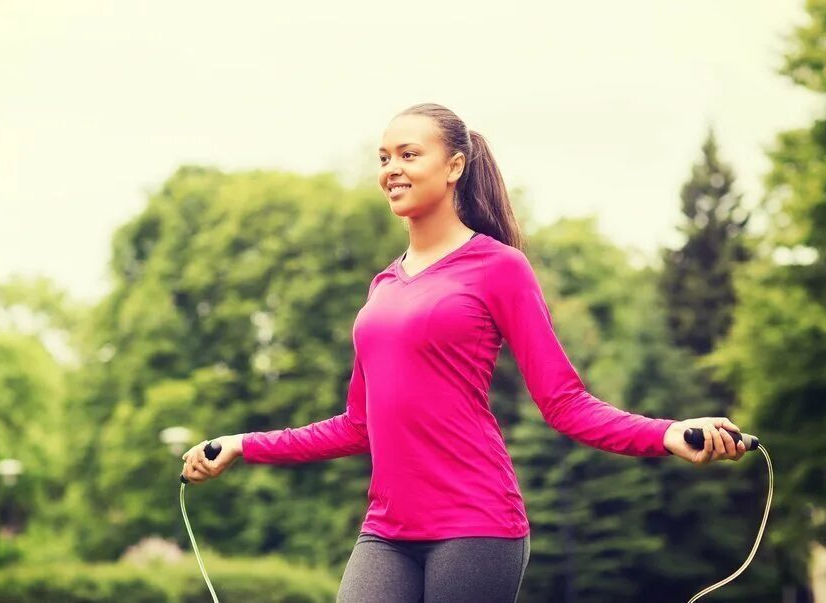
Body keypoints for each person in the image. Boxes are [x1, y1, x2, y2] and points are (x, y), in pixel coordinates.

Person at [181, 103, 748, 602]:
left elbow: (564, 402)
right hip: (387, 531)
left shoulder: (499, 267)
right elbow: (358, 426)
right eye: (382, 158)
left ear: (454, 166)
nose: (391, 170)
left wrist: (666, 433)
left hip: (475, 525)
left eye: (408, 154)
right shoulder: (382, 286)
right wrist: (242, 445)